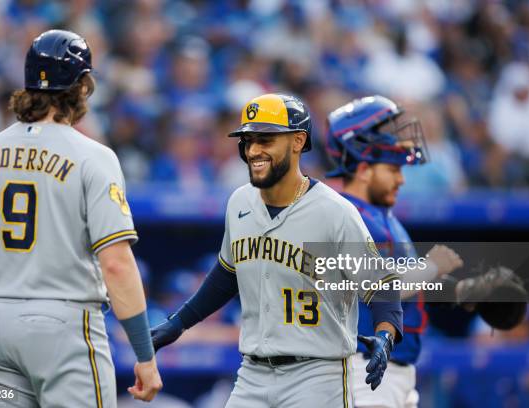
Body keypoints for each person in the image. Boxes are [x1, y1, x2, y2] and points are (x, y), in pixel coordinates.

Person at [0, 30, 162, 406]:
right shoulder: (94, 156)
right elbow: (116, 265)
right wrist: (145, 355)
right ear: (81, 87)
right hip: (63, 326)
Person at [151, 93, 403, 407]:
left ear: (298, 141)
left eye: (266, 140)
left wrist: (386, 336)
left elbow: (381, 286)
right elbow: (227, 274)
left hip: (316, 374)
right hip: (252, 373)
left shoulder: (334, 211)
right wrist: (178, 323)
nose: (254, 150)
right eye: (248, 140)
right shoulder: (239, 202)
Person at [325, 95, 527, 407]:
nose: (401, 179)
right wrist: (431, 267)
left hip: (390, 374)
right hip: (360, 371)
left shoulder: (380, 217)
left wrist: (460, 290)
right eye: (391, 170)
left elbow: (405, 284)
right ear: (364, 169)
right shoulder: (344, 215)